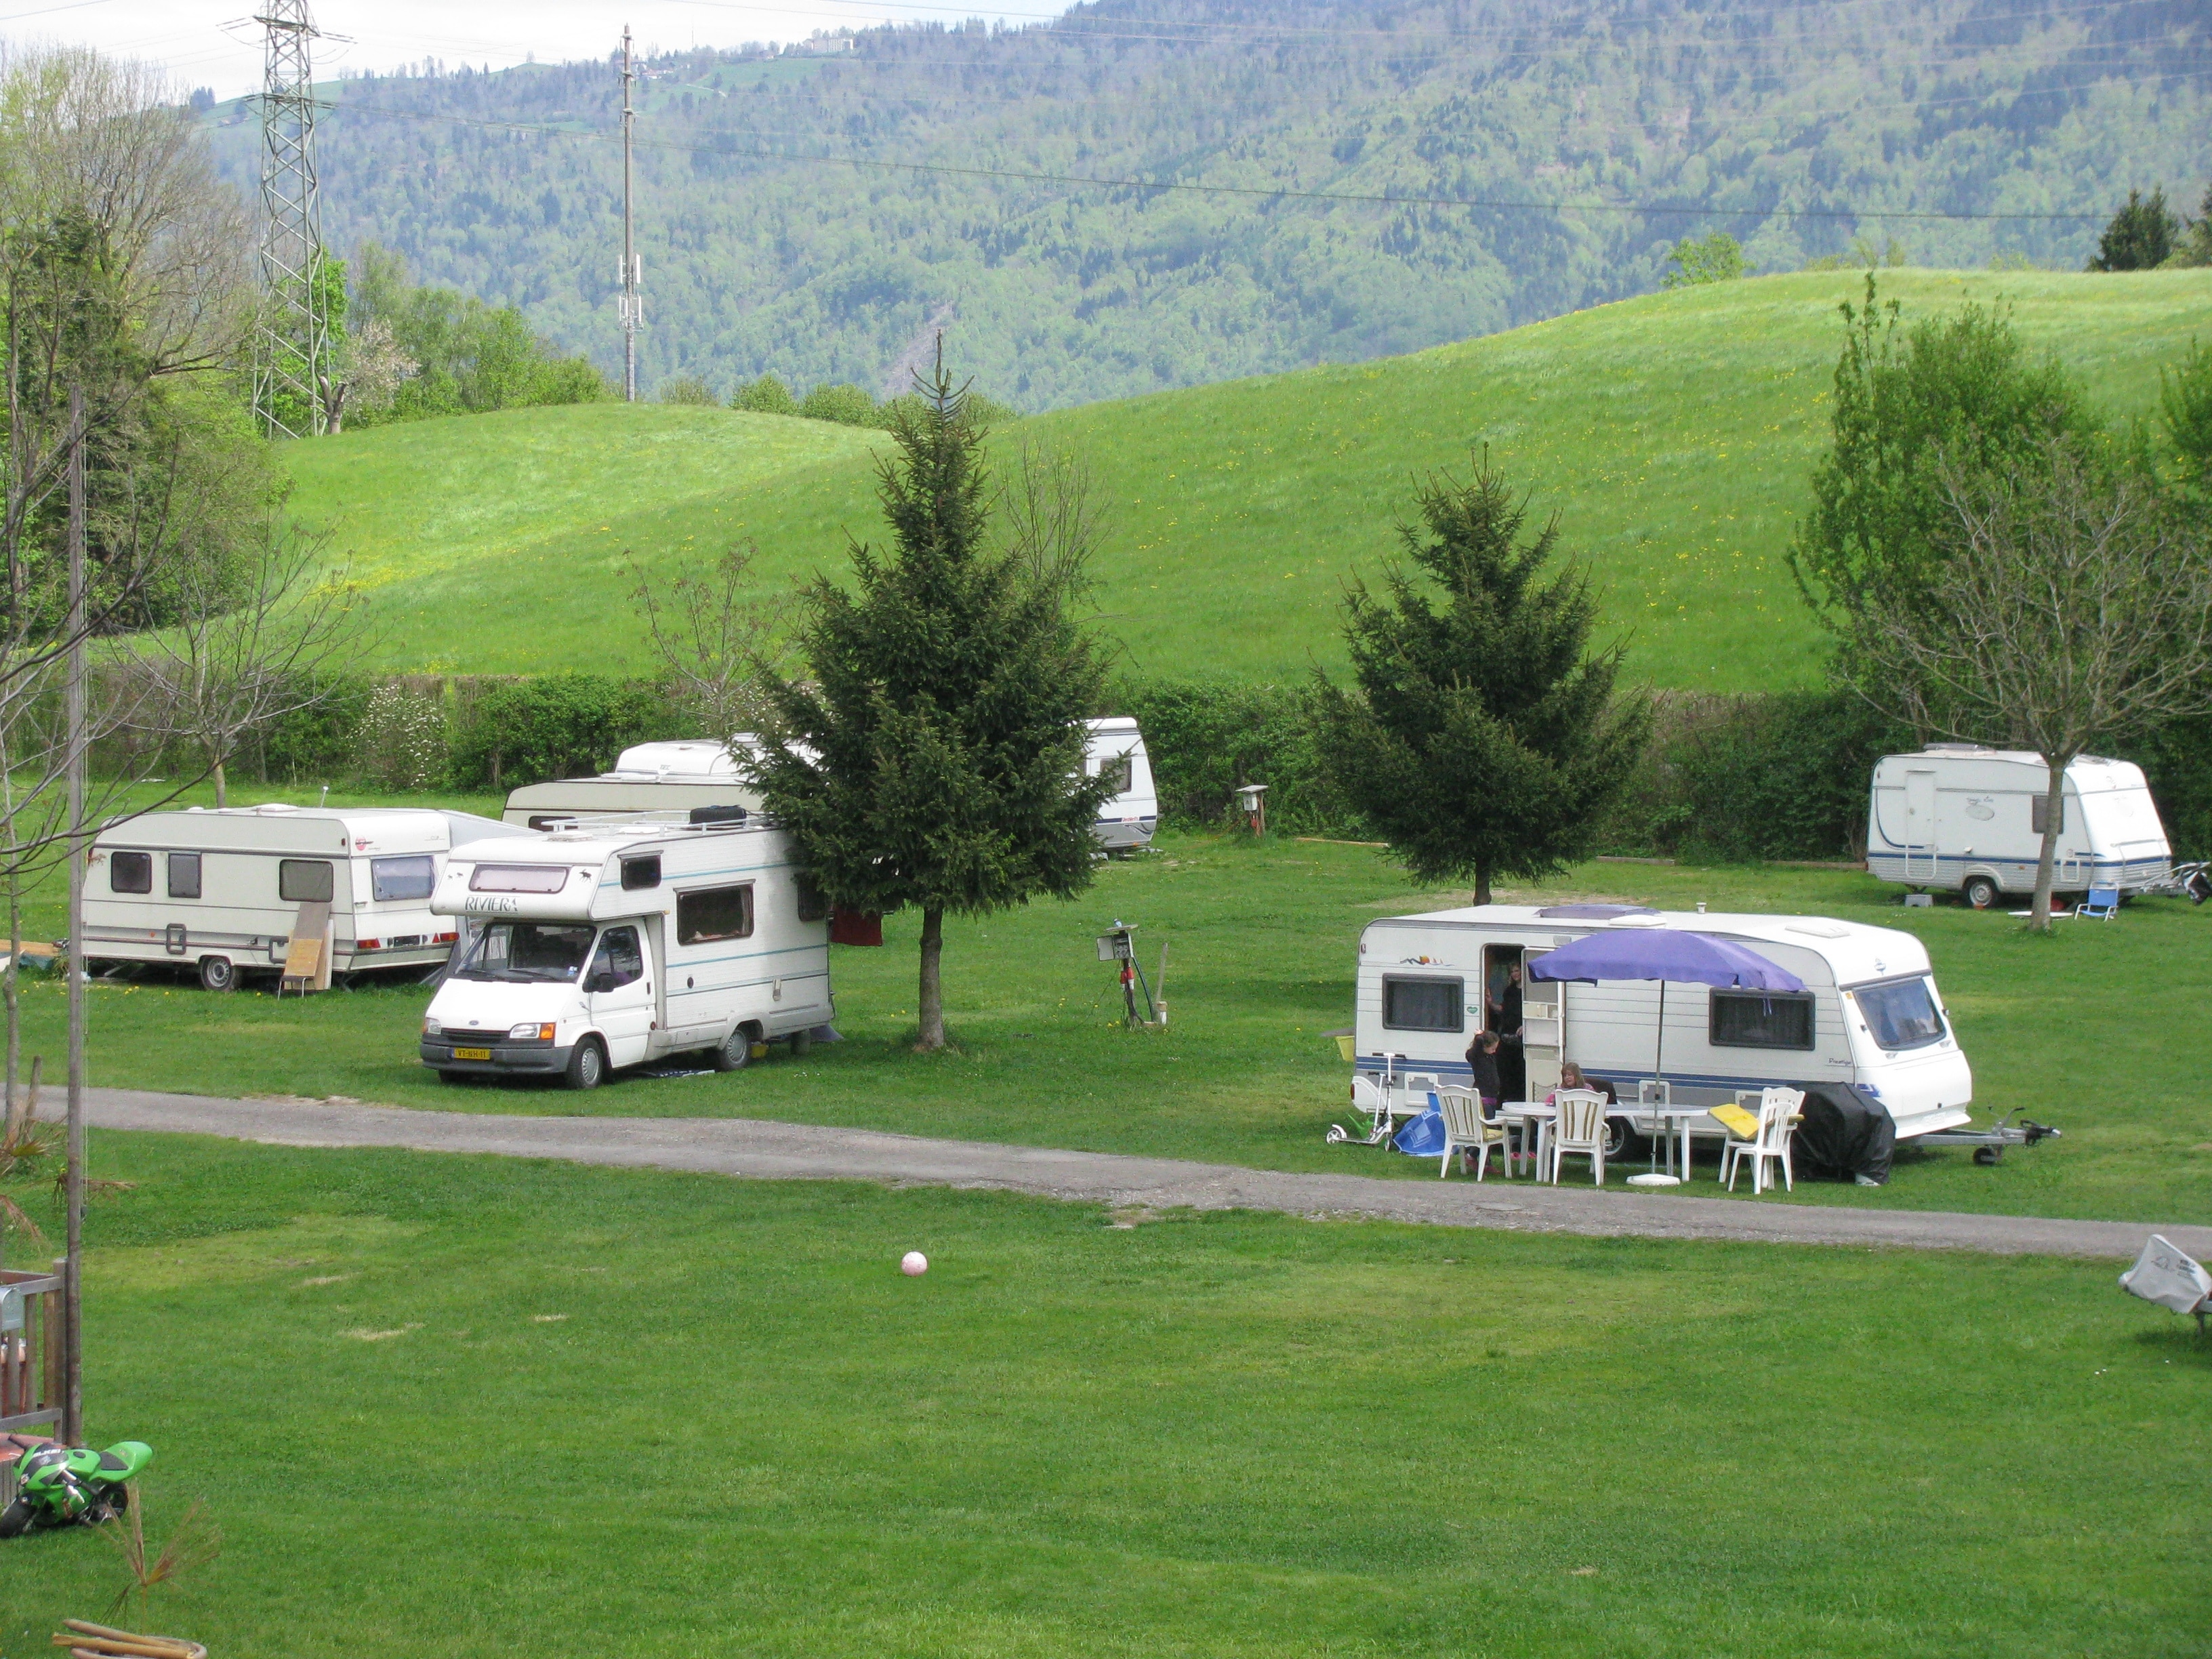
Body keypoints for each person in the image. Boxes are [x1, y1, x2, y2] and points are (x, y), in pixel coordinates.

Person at [1489, 964, 1525, 1102]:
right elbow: (1503, 1010)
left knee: (1520, 1068)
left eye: (1517, 971)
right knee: (1505, 1067)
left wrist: (1526, 1025)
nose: (1515, 974)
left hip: (1522, 1037)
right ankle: (1506, 1098)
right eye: (1512, 971)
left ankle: (1520, 1098)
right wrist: (1490, 1004)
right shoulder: (1509, 991)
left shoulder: (1528, 991)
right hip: (1507, 1034)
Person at [1463, 1029, 1503, 1109]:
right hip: (1483, 1097)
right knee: (1485, 1118)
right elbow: (1476, 1049)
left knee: (1491, 1116)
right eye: (1492, 1049)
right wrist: (1478, 1036)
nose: (1494, 1051)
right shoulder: (1477, 1057)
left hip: (1492, 1097)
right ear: (1484, 1046)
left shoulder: (1490, 1057)